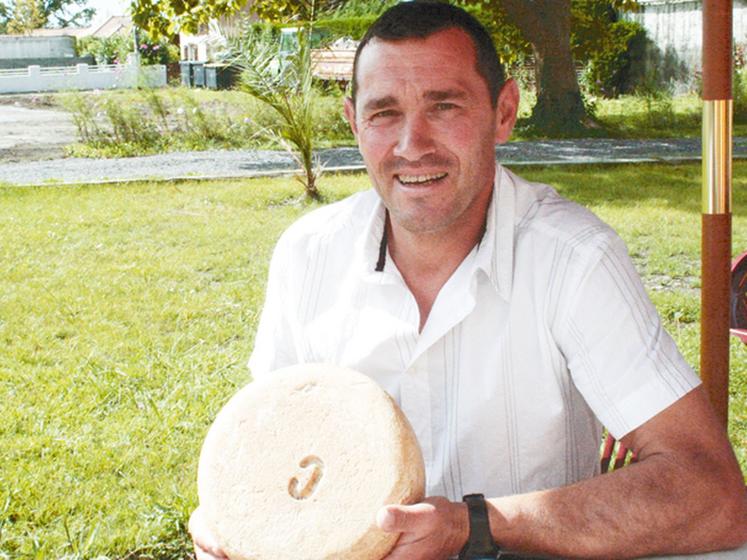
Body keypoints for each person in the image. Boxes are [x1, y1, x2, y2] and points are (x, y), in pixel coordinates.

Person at [190, 2, 747, 559]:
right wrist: (230, 521)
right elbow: (268, 454)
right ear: (353, 122)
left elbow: (714, 496)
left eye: (444, 105)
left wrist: (472, 525)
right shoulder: (307, 254)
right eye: (384, 113)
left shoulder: (574, 261)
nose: (413, 144)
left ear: (503, 112)